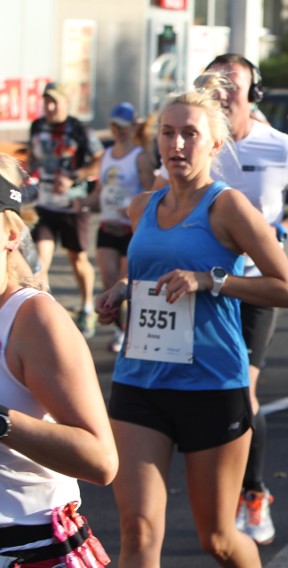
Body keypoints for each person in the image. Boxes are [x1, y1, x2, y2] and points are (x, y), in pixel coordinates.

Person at [95, 86, 288, 566]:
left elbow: (286, 288)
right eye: (168, 133)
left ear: (214, 145)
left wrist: (209, 281)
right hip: (140, 380)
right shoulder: (141, 206)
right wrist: (122, 290)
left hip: (210, 383)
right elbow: (149, 273)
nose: (177, 144)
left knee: (217, 539)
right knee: (137, 528)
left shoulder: (227, 206)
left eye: (191, 133)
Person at [199, 53, 288, 546]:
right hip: (198, 283)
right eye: (214, 82)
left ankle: (252, 494)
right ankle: (210, 488)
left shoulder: (279, 146)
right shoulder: (197, 141)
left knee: (242, 392)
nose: (223, 90)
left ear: (253, 93)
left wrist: (284, 230)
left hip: (255, 285)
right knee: (187, 389)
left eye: (233, 84)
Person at [0, 152, 118, 566]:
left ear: (11, 234)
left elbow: (101, 461)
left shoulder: (32, 318)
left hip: (29, 548)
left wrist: (2, 422)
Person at [26, 82, 103, 338]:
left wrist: (72, 176)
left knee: (77, 259)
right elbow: (32, 154)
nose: (49, 107)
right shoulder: (38, 126)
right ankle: (42, 319)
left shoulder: (80, 129)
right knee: (39, 263)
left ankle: (87, 306)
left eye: (54, 101)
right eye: (46, 101)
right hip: (44, 204)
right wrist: (30, 172)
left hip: (73, 205)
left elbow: (98, 160)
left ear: (65, 103)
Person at [78, 102, 154, 354]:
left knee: (128, 283)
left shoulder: (140, 156)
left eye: (123, 127)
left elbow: (151, 192)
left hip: (131, 230)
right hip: (108, 227)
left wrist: (134, 207)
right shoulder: (107, 156)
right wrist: (79, 203)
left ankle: (134, 330)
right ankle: (120, 330)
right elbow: (99, 193)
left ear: (133, 127)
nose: (118, 131)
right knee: (109, 281)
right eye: (114, 126)